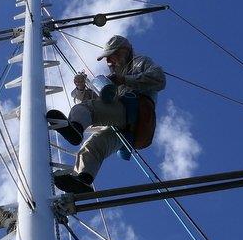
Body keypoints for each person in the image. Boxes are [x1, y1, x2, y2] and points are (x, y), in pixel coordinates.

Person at [47, 35, 165, 193]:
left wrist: (123, 80)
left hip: (134, 110)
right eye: (107, 58)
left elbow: (159, 79)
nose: (109, 62)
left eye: (112, 56)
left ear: (125, 51)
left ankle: (75, 128)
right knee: (92, 146)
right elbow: (100, 101)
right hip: (128, 129)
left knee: (84, 109)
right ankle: (83, 180)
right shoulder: (114, 80)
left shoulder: (140, 62)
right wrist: (81, 89)